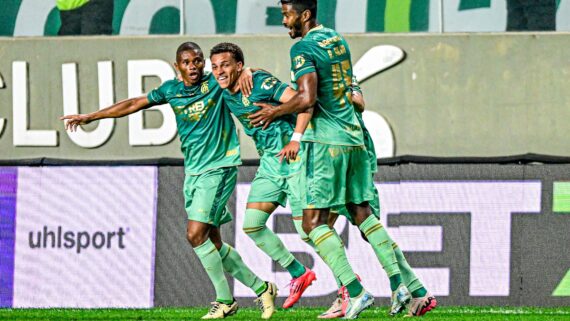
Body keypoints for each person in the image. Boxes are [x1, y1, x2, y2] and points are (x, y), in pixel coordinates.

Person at [61, 42, 277, 320]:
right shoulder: (170, 91)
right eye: (187, 62)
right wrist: (91, 116)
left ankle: (225, 300)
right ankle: (262, 288)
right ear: (178, 67)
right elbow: (134, 103)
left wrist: (249, 70)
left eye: (198, 61)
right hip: (194, 173)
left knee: (194, 234)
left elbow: (240, 74)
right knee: (213, 242)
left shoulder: (216, 85)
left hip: (219, 167)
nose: (194, 67)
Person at [249, 0, 434, 318]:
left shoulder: (302, 48)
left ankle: (356, 291)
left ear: (304, 15)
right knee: (363, 216)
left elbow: (306, 98)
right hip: (355, 140)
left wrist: (274, 111)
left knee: (312, 224)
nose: (284, 21)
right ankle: (404, 287)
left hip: (326, 144)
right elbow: (355, 98)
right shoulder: (337, 40)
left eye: (287, 14)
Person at [317, 78, 437, 319]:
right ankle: (416, 290)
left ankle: (356, 293)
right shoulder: (317, 70)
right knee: (331, 227)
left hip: (344, 154)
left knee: (330, 225)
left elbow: (359, 102)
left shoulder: (334, 72)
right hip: (334, 153)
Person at [209, 42, 316, 309]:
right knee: (253, 224)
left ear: (239, 66)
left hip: (296, 158)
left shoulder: (258, 82)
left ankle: (350, 287)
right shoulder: (222, 89)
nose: (219, 72)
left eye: (225, 65)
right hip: (270, 162)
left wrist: (296, 140)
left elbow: (304, 103)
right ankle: (298, 273)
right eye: (215, 67)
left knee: (310, 232)